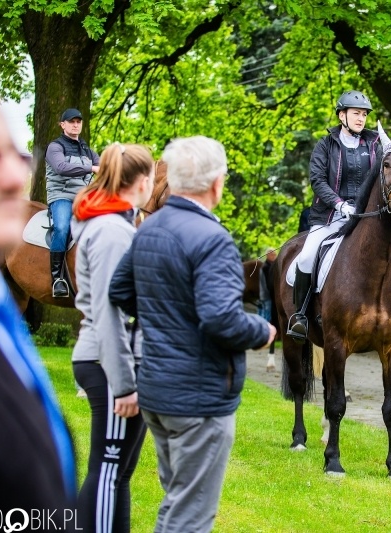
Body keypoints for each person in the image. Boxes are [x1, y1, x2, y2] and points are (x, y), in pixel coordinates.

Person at [108, 136, 276, 533]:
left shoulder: (148, 228)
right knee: (191, 517)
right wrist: (263, 329)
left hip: (157, 393)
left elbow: (119, 291)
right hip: (198, 399)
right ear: (217, 183)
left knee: (177, 503)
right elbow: (221, 319)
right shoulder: (212, 239)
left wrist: (166, 318)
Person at [0, 69, 76, 512]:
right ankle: (61, 273)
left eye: (17, 155)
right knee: (61, 224)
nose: (12, 176)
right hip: (64, 199)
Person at [286, 90, 391, 343]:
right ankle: (301, 316)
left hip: (365, 218)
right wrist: (338, 204)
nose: (361, 118)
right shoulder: (325, 145)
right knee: (305, 258)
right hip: (329, 216)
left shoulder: (376, 146)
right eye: (356, 113)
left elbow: (385, 180)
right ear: (342, 115)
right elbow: (317, 180)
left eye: (364, 114)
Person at [71, 143, 154, 532]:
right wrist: (123, 386)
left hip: (117, 363)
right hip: (108, 366)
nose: (155, 183)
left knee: (118, 473)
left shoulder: (119, 224)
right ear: (139, 182)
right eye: (153, 175)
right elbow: (108, 313)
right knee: (108, 471)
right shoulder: (111, 231)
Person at [45, 107, 100, 297]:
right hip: (61, 196)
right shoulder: (55, 147)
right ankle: (58, 279)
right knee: (61, 227)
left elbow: (103, 168)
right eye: (71, 122)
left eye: (78, 122)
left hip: (84, 197)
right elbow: (61, 167)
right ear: (62, 125)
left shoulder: (87, 150)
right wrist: (91, 167)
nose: (76, 125)